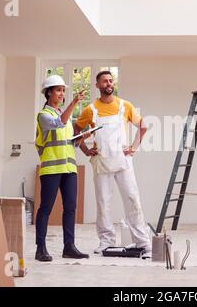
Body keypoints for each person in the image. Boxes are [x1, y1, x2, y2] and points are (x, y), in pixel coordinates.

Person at [74, 71, 151, 255]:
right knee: (103, 203)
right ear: (97, 86)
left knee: (132, 199)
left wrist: (133, 147)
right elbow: (75, 131)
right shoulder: (90, 110)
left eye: (110, 80)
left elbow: (143, 125)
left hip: (123, 162)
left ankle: (142, 242)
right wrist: (86, 150)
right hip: (101, 162)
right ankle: (106, 241)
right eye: (105, 81)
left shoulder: (125, 106)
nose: (109, 83)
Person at [35, 74, 91, 262]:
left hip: (69, 168)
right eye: (58, 90)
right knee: (45, 209)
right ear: (48, 92)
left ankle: (69, 247)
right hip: (51, 169)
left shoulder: (62, 115)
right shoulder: (44, 115)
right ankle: (40, 249)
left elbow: (66, 141)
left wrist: (79, 140)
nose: (61, 93)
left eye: (63, 90)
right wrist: (75, 102)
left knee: (70, 208)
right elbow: (59, 124)